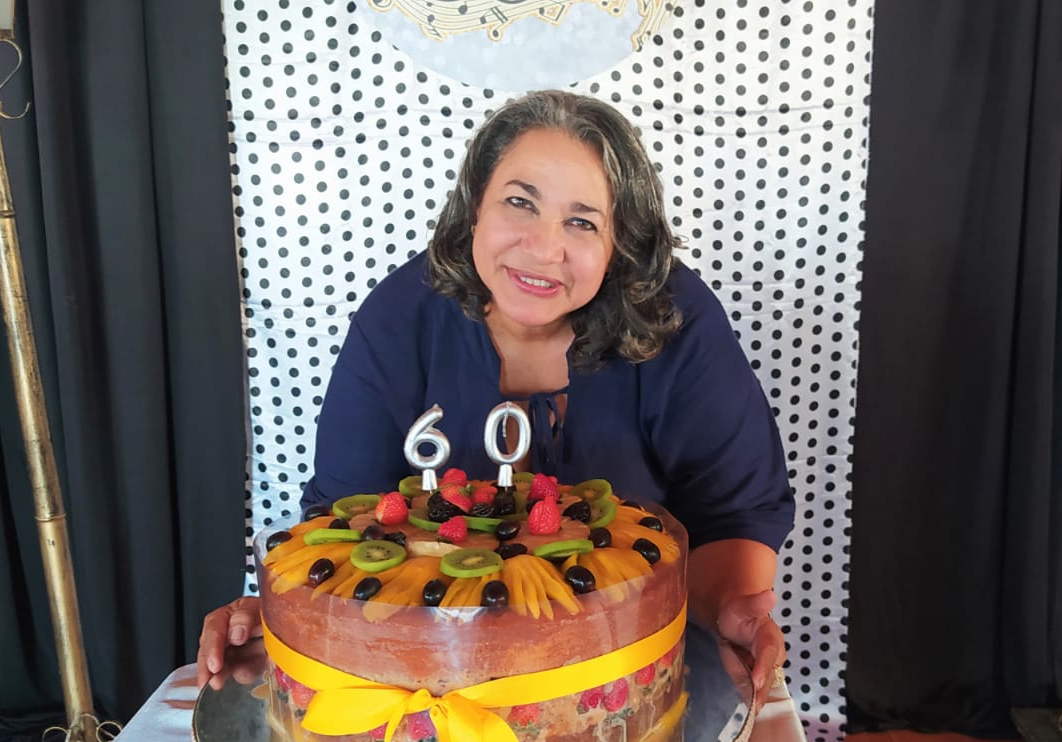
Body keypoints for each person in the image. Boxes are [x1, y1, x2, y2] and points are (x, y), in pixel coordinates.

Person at [199, 90, 795, 705]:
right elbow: (344, 520)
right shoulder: (399, 317)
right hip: (421, 695)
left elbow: (734, 513)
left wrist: (727, 608)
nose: (543, 248)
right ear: (474, 208)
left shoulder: (676, 319)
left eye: (582, 222)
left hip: (629, 690)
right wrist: (293, 620)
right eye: (520, 202)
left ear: (619, 245)